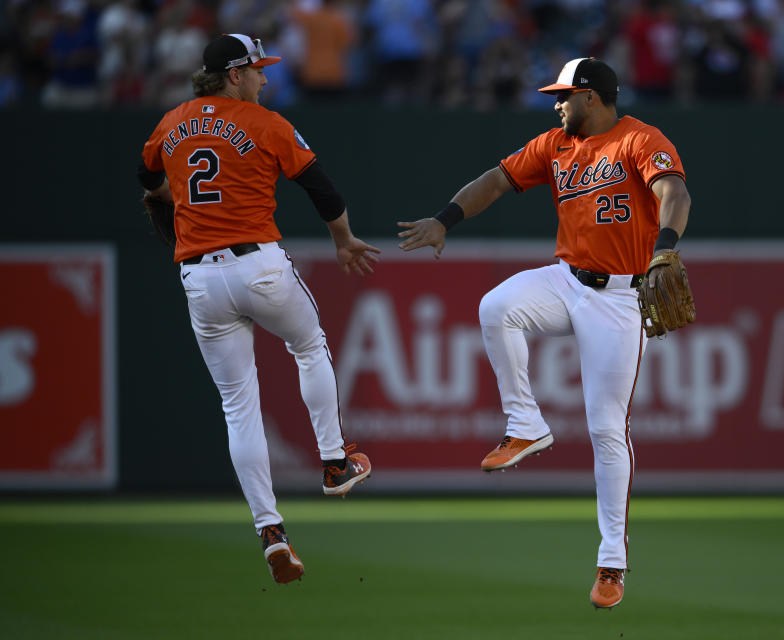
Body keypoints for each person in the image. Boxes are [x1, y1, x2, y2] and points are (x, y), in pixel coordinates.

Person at [397, 57, 691, 609]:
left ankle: (612, 564)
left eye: (564, 96)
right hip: (566, 278)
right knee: (495, 306)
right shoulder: (554, 144)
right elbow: (495, 180)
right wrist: (445, 219)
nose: (556, 105)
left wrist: (666, 246)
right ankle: (525, 423)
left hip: (621, 295)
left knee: (607, 429)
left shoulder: (639, 139)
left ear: (591, 98)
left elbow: (675, 193)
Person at [137, 33, 379, 584]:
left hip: (199, 276)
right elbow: (321, 187)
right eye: (258, 70)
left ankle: (270, 530)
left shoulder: (172, 120)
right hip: (258, 265)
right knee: (310, 345)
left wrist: (166, 196)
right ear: (234, 74)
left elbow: (147, 175)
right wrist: (342, 240)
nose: (266, 79)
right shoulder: (263, 123)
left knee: (238, 406)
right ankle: (336, 461)